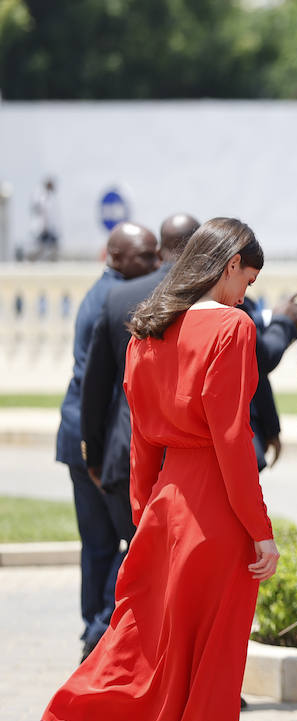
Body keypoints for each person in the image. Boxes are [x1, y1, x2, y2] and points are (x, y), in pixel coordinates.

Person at [43, 217, 281, 721]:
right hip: (216, 512)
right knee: (217, 662)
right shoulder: (231, 327)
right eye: (245, 280)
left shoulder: (146, 330)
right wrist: (260, 531)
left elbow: (142, 440)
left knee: (168, 658)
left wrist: (150, 517)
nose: (244, 294)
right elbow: (233, 439)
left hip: (165, 511)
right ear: (229, 264)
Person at [56, 222, 159, 658]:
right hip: (93, 439)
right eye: (145, 256)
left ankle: (93, 630)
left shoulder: (108, 292)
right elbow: (102, 381)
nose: (156, 263)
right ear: (115, 257)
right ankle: (100, 631)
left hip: (83, 432)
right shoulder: (115, 299)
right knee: (124, 543)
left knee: (100, 545)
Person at [81, 215, 199, 586]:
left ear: (161, 248)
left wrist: (95, 456)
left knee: (141, 570)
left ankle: (115, 638)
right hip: (191, 463)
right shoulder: (211, 296)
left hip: (125, 456)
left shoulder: (119, 297)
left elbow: (95, 387)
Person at [240, 291, 297, 470]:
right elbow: (261, 358)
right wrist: (283, 322)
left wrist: (271, 428)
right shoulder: (225, 305)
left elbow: (255, 372)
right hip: (223, 449)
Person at [27, 176, 59, 260]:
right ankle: (32, 259)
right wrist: (45, 225)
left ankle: (47, 259)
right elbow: (43, 211)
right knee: (41, 246)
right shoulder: (42, 196)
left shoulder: (47, 196)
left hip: (46, 226)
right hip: (42, 226)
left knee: (48, 245)